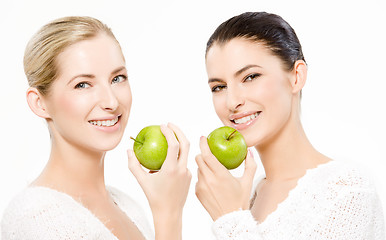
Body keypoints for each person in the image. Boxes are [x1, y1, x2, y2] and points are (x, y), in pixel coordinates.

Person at [195, 12, 385, 239]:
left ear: (296, 77)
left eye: (250, 77)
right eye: (219, 87)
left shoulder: (347, 192)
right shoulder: (246, 196)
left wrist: (231, 221)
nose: (232, 101)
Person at [1, 16, 191, 240]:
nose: (111, 102)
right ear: (39, 103)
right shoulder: (37, 219)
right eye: (83, 84)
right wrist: (168, 214)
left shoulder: (128, 207)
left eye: (117, 78)